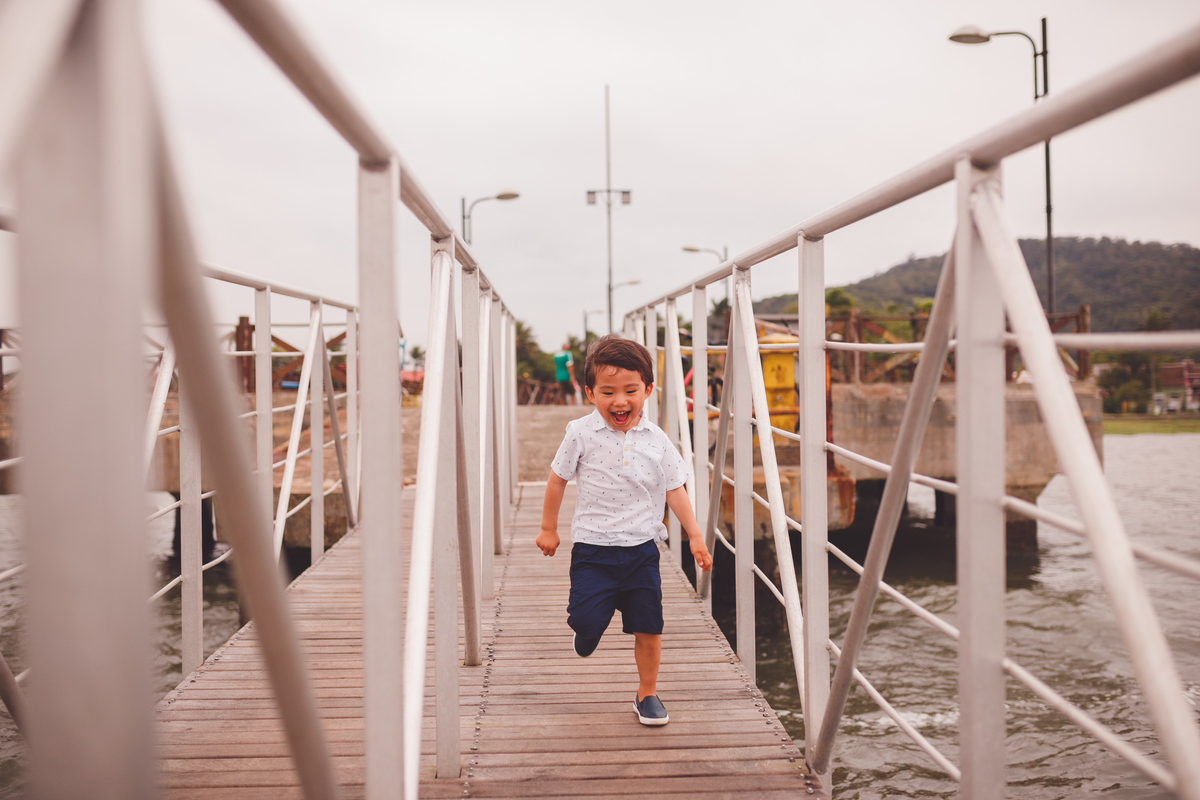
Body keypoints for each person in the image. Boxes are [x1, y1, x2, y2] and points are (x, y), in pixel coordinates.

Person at [536, 334, 714, 727]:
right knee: (586, 620)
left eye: (631, 390)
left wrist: (695, 535)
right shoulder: (580, 433)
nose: (620, 401)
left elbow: (674, 488)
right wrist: (549, 528)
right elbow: (556, 479)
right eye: (608, 392)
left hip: (641, 551)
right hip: (593, 551)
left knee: (649, 627)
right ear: (590, 393)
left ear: (648, 390)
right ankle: (586, 632)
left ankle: (646, 694)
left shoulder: (657, 440)